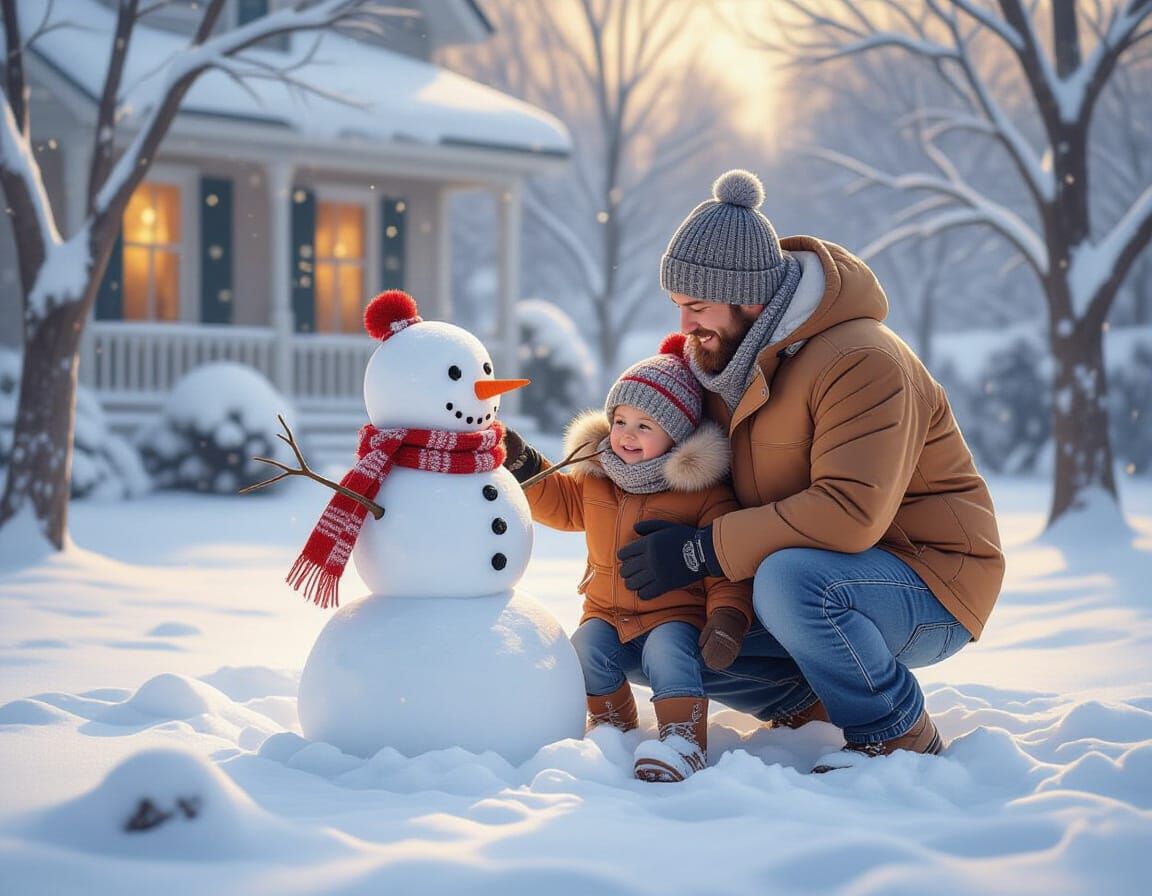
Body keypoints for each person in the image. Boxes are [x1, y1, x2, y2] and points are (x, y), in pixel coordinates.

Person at [607, 168, 1006, 771]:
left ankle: (893, 731)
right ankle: (809, 702)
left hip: (929, 580)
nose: (684, 326)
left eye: (697, 306)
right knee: (653, 637)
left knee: (791, 581)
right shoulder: (726, 362)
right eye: (677, 307)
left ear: (749, 299)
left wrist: (701, 551)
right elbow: (673, 457)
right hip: (812, 577)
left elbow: (849, 516)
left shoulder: (863, 360)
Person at [504, 335, 753, 782]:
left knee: (668, 654)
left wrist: (728, 617)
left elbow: (723, 564)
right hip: (605, 609)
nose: (626, 435)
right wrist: (524, 463)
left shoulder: (702, 493)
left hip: (673, 615)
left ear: (675, 434)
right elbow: (561, 504)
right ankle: (613, 725)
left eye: (645, 425)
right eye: (620, 420)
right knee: (584, 650)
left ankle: (683, 739)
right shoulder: (599, 478)